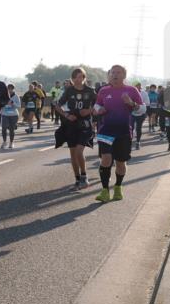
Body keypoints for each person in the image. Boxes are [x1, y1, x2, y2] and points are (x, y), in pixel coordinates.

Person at [92, 65, 143, 202]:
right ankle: (104, 191)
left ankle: (118, 187)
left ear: (124, 75)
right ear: (109, 75)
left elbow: (142, 109)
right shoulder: (103, 90)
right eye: (112, 73)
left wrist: (131, 103)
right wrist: (99, 109)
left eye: (118, 72)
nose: (115, 75)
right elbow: (96, 105)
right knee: (106, 159)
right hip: (106, 130)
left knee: (120, 163)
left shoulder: (131, 90)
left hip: (123, 131)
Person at [55, 67, 97, 189]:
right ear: (72, 79)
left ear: (84, 78)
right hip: (72, 124)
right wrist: (67, 115)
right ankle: (77, 180)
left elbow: (99, 105)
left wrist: (88, 111)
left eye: (81, 77)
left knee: (79, 151)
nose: (79, 79)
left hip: (85, 124)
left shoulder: (90, 91)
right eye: (76, 77)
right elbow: (57, 105)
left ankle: (84, 176)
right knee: (73, 154)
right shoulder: (69, 91)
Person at [129, 81, 149, 151]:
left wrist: (141, 105)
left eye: (139, 85)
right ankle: (129, 142)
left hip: (141, 113)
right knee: (130, 128)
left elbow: (147, 103)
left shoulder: (144, 93)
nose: (138, 86)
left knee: (138, 128)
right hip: (132, 113)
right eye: (136, 85)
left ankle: (138, 142)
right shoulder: (130, 93)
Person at [0, 83, 21, 149]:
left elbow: (19, 106)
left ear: (13, 89)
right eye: (8, 88)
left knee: (11, 129)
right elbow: (0, 104)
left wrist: (12, 103)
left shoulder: (16, 96)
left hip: (13, 115)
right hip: (5, 114)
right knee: (4, 128)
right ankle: (4, 142)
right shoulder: (3, 96)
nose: (10, 90)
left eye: (11, 88)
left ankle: (11, 142)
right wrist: (4, 103)